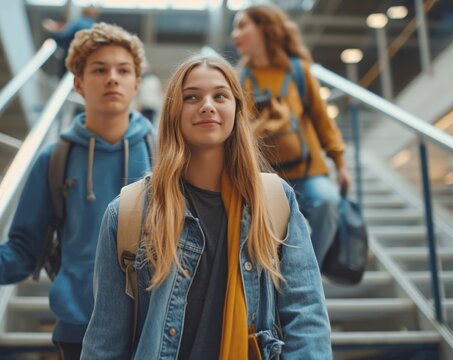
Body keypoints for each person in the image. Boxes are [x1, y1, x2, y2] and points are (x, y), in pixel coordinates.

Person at [81, 54, 331, 359]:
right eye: (192, 97)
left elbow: (305, 315)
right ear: (174, 112)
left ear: (237, 109)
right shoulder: (130, 212)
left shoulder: (275, 200)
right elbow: (105, 340)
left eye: (220, 95)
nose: (207, 105)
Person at [0, 23, 153, 360]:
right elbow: (24, 249)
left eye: (123, 70)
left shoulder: (162, 152)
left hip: (152, 325)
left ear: (135, 83)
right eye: (99, 70)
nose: (112, 78)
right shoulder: (55, 160)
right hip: (79, 327)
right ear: (77, 83)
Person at [231, 4, 351, 267]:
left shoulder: (296, 70)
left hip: (310, 173)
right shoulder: (241, 80)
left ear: (264, 28)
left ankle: (309, 273)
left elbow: (321, 118)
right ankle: (276, 280)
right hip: (267, 178)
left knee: (327, 203)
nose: (234, 34)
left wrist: (339, 162)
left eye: (241, 26)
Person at [43, 6, 99, 78]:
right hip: (87, 60)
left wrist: (53, 31)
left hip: (71, 58)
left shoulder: (78, 24)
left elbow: (64, 37)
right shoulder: (95, 27)